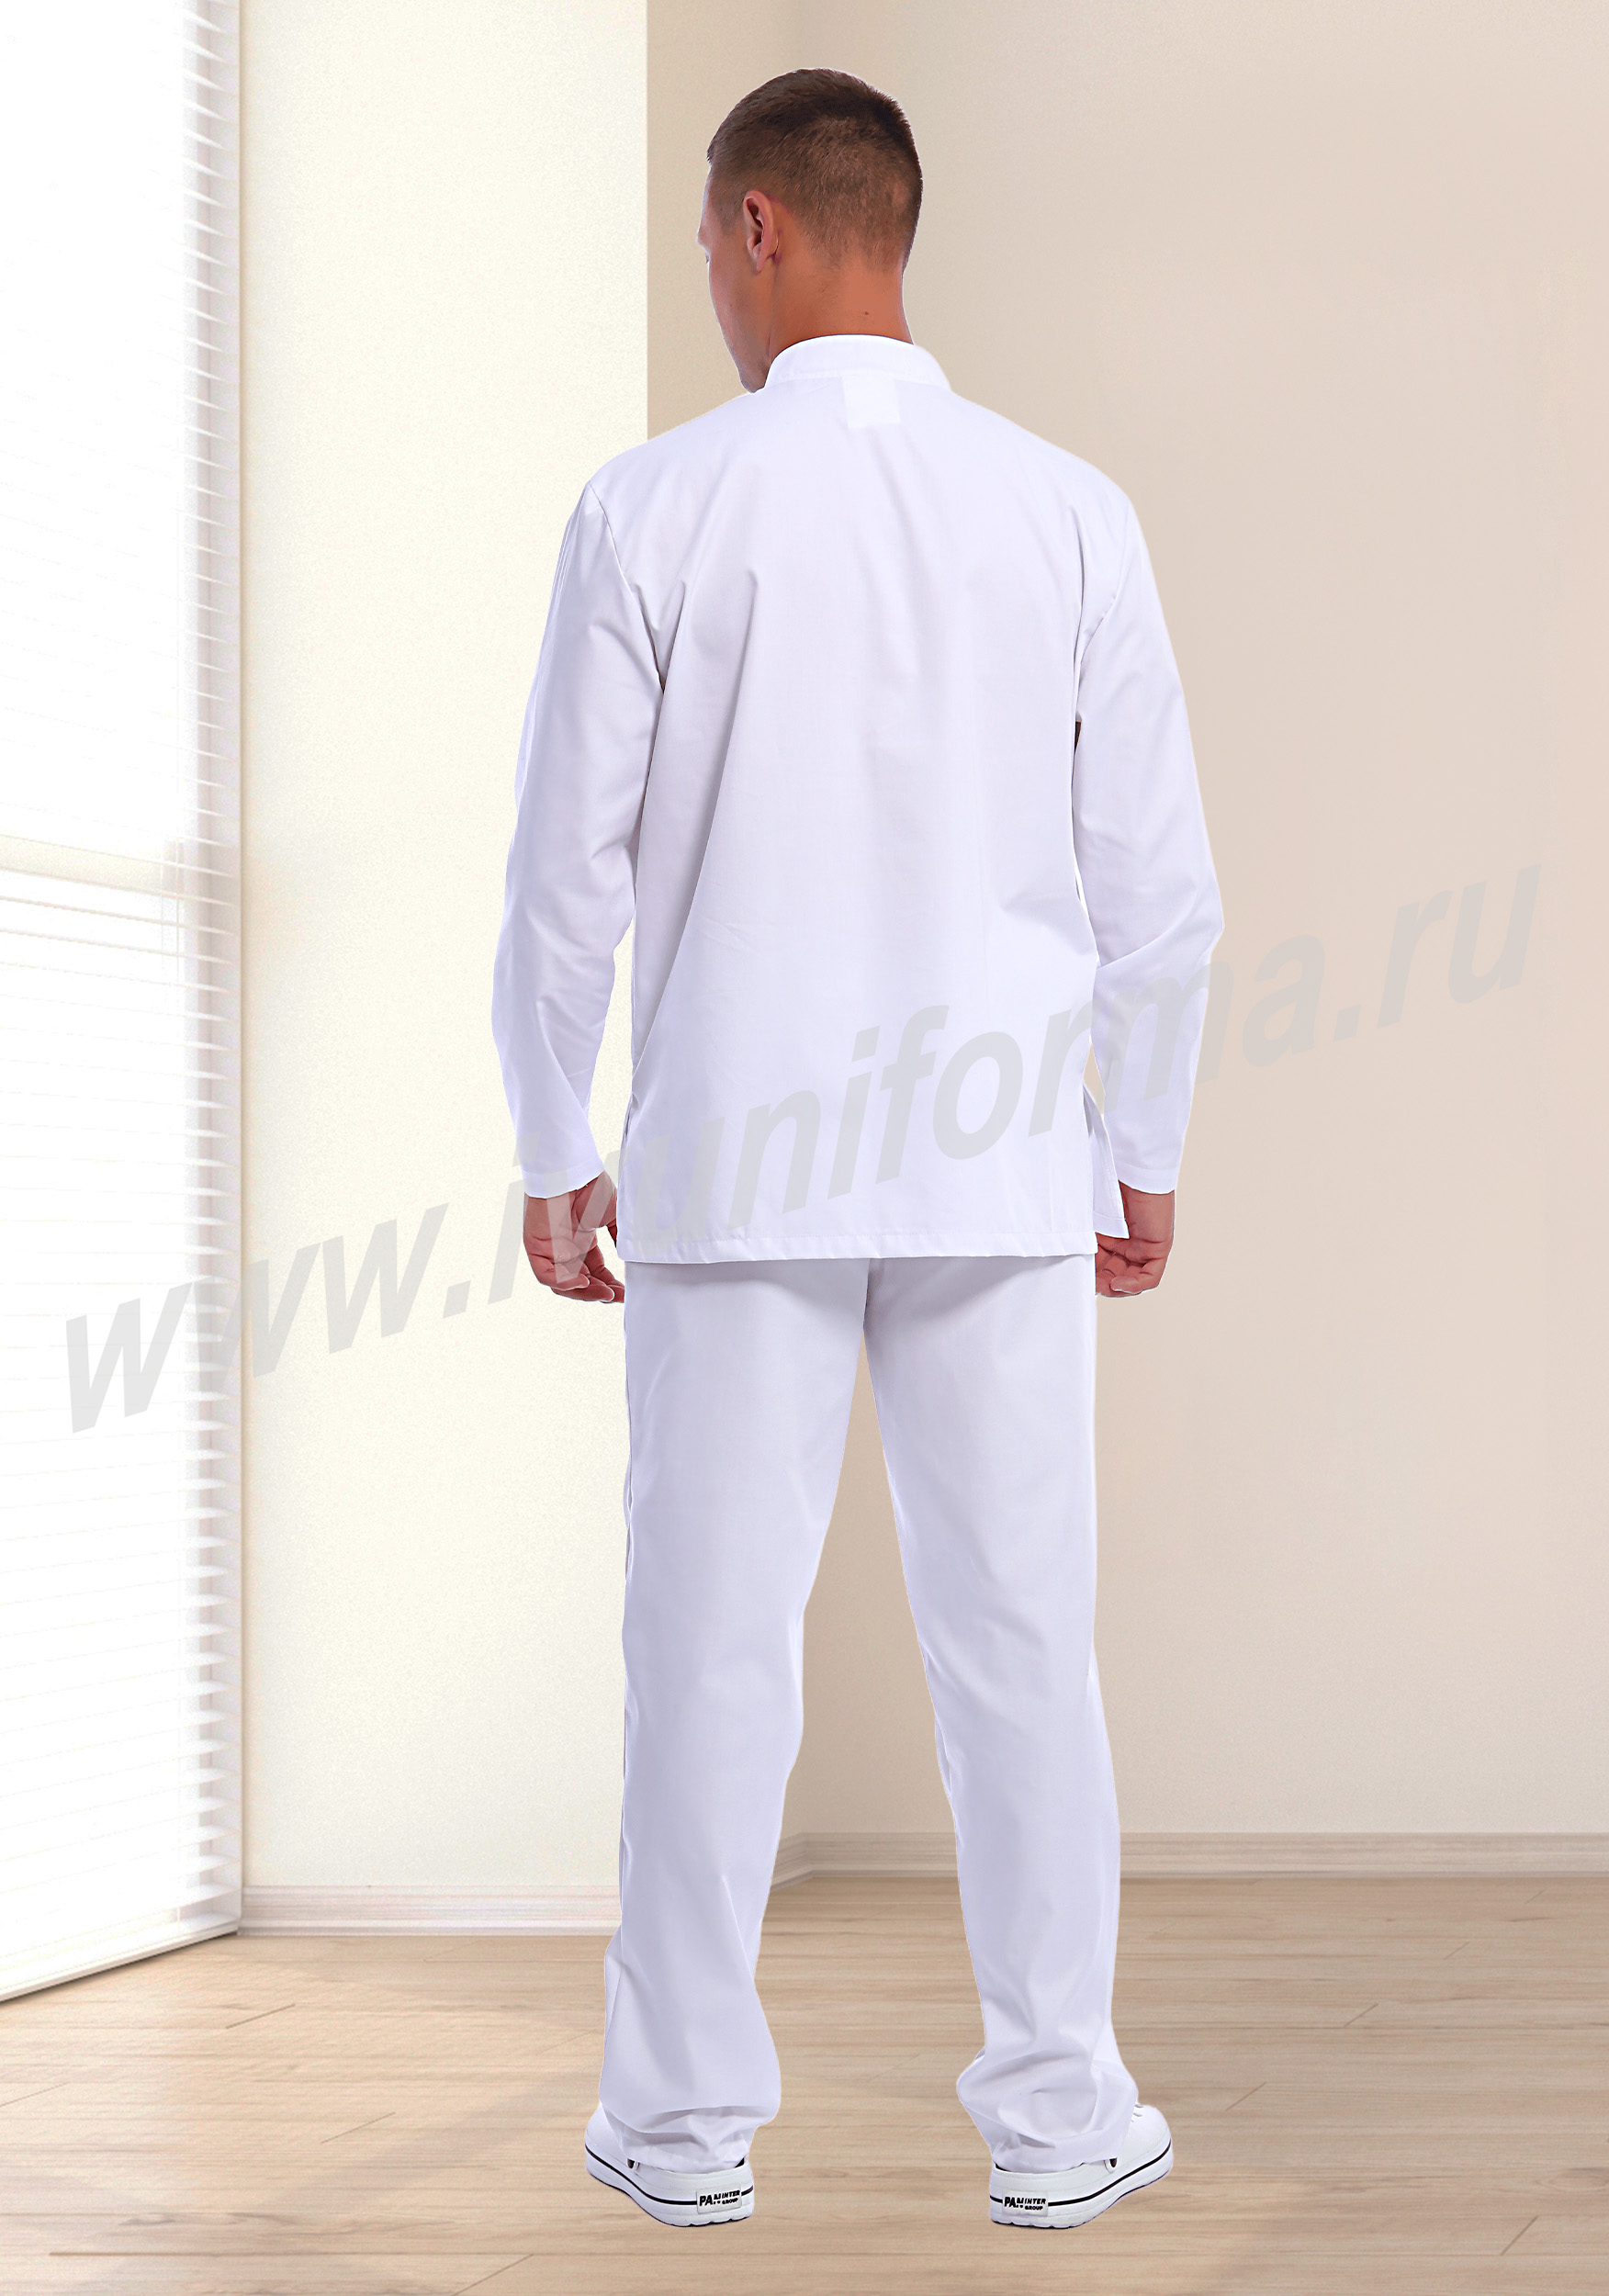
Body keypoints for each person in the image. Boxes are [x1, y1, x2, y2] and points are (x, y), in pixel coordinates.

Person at [492, 67, 1222, 2234]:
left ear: (757, 229)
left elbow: (562, 871)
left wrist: (549, 1128)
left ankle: (678, 2125)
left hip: (734, 1165)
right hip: (1003, 1164)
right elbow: (1158, 886)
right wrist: (1141, 1138)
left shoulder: (650, 506)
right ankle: (1060, 2112)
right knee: (1020, 1648)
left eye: (704, 248)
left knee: (707, 1650)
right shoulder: (1068, 509)